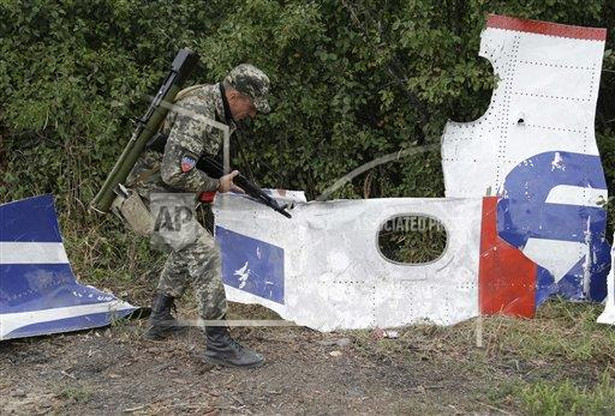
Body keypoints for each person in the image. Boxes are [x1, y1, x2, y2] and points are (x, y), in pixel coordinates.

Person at [125, 64, 271, 368]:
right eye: (252, 106)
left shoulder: (217, 109)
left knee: (186, 249)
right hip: (155, 192)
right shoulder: (200, 112)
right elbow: (173, 172)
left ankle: (160, 318)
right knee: (204, 252)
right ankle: (219, 345)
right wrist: (217, 185)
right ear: (234, 95)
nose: (253, 114)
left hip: (167, 190)